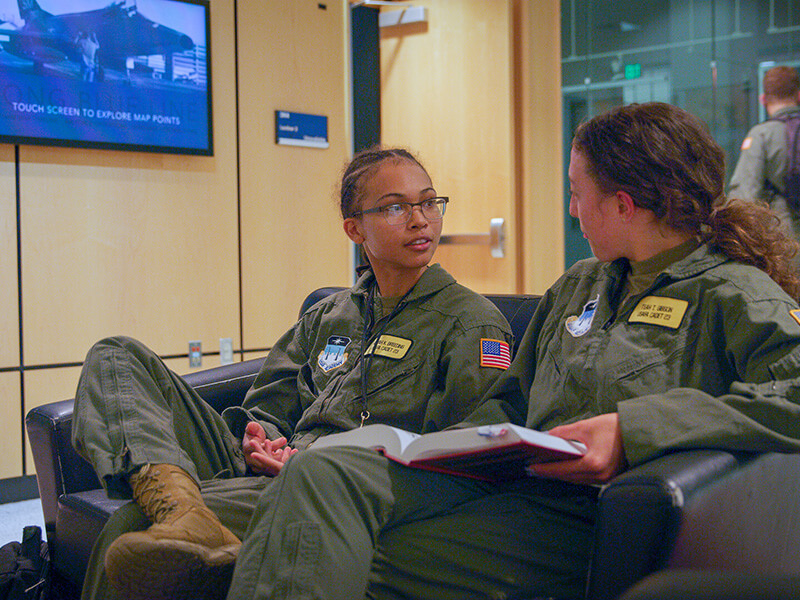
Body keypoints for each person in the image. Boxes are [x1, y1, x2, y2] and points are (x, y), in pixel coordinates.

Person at [227, 102, 800, 600]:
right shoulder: (581, 284)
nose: (573, 211)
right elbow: (511, 398)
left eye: (578, 195)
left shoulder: (733, 292)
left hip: (589, 511)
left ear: (623, 205)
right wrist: (460, 445)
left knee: (353, 557)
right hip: (511, 476)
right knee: (324, 469)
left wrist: (635, 428)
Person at [70, 147, 513, 600]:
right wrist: (257, 436)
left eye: (429, 202)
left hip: (339, 489)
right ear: (354, 228)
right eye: (396, 207)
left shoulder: (470, 322)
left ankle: (187, 516)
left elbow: (465, 451)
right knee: (116, 355)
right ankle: (181, 506)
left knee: (131, 522)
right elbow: (268, 405)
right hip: (268, 470)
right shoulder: (328, 315)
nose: (420, 219)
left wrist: (327, 465)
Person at [730, 65, 800, 265]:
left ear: (763, 99)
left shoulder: (762, 135)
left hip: (786, 243)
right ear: (798, 95)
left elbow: (745, 196)